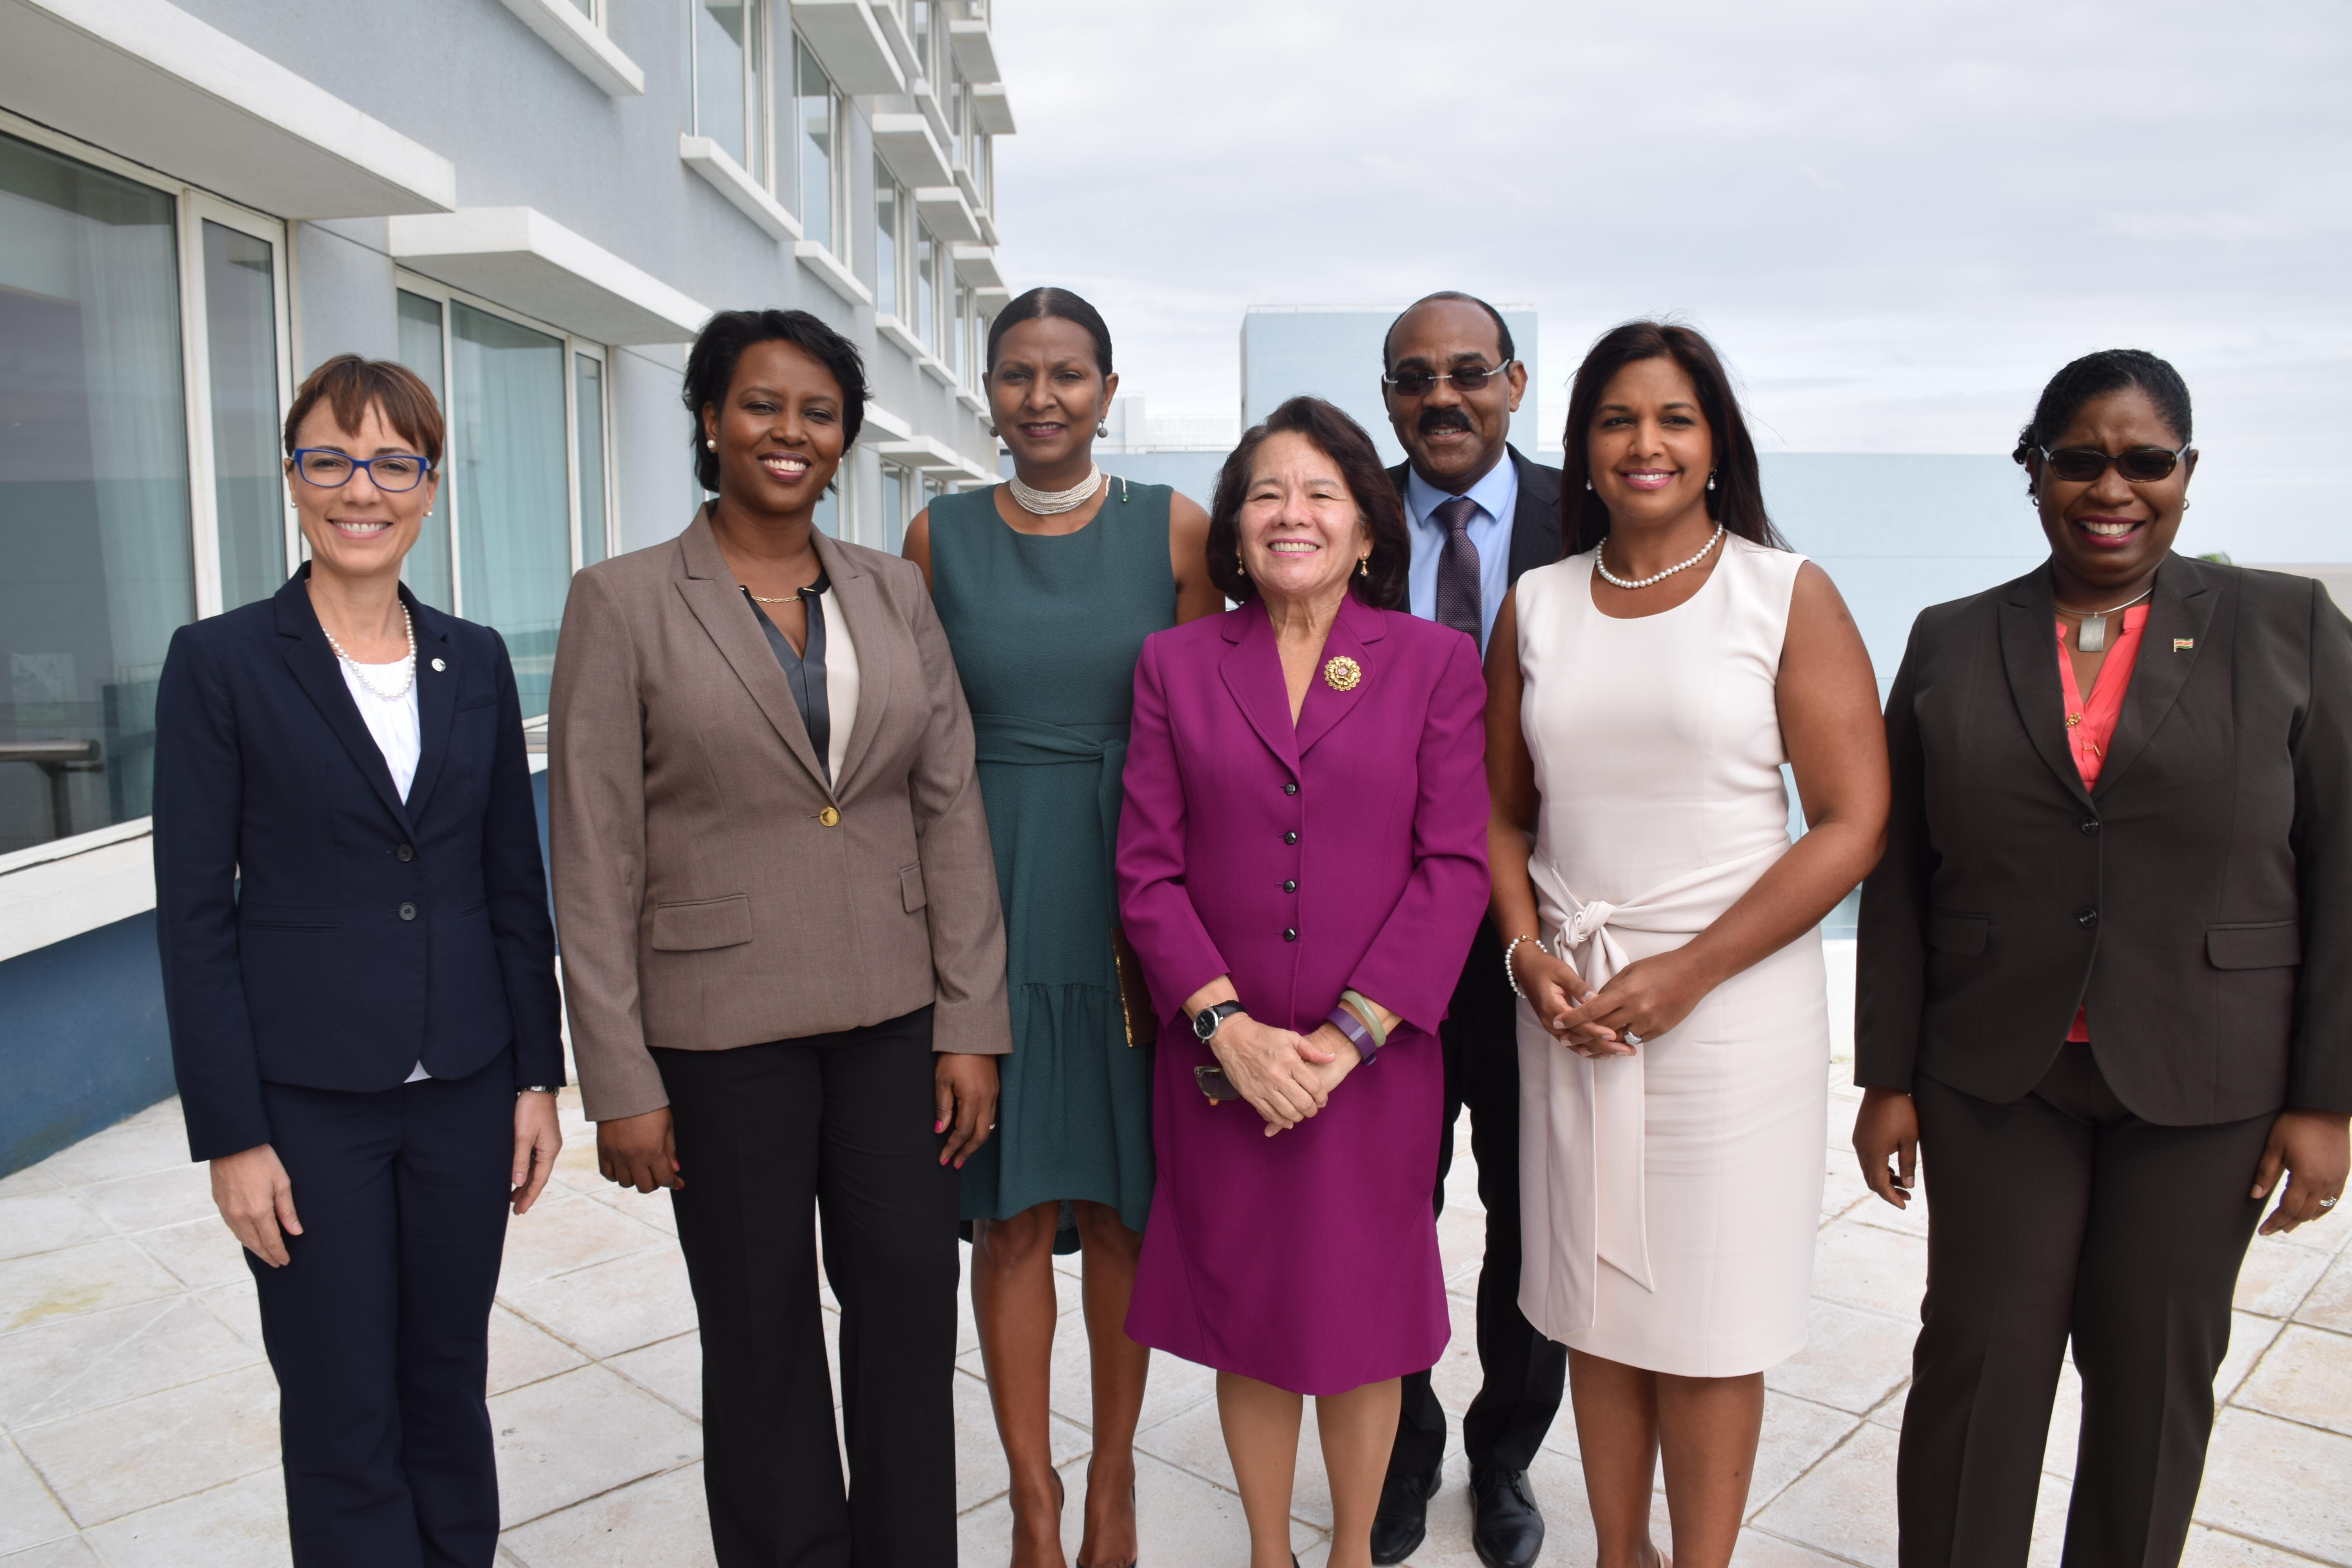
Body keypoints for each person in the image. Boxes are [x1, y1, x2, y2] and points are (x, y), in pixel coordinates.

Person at [1853, 349, 2351, 1568]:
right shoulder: (1954, 638)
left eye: (2146, 461)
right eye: (2080, 459)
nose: (2112, 487)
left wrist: (2327, 1099)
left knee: (2152, 1378)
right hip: (1995, 1072)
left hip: (2207, 1079)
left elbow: (2344, 868)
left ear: (2187, 474)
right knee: (1979, 1362)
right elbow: (1903, 873)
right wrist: (1887, 1075)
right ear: (2035, 472)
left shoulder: (2286, 628)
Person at [546, 309, 1010, 1568]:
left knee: (910, 1304)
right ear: (708, 417)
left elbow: (948, 806)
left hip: (894, 1018)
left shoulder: (890, 588)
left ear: (845, 436)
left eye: (817, 411)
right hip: (717, 1034)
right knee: (759, 1332)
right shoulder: (623, 601)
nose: (789, 431)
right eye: (761, 404)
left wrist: (971, 1020)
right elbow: (593, 856)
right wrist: (619, 1083)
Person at [153, 354, 565, 1568]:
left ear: (429, 489)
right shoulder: (221, 662)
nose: (360, 488)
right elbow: (194, 916)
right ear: (293, 480)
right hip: (307, 1104)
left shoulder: (476, 659)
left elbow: (509, 883)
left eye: (393, 462)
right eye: (329, 459)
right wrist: (231, 1134)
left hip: (466, 1089)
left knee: (446, 1384)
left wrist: (537, 1077)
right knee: (342, 1404)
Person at [1489, 322, 1887, 1568]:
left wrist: (1691, 970)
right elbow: (1502, 811)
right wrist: (1522, 951)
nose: (1646, 443)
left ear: (1716, 443)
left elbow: (1852, 822)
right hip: (1572, 1001)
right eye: (1617, 420)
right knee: (1595, 1303)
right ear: (1586, 451)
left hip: (1731, 1010)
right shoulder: (1537, 605)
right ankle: (1620, 1553)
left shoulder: (1784, 591)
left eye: (1674, 418)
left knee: (1708, 1316)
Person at [1117, 396, 1491, 1568]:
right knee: (1251, 1315)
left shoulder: (1433, 662)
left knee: (1368, 1322)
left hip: (1372, 1068)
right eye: (1268, 494)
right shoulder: (1176, 663)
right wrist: (1227, 1030)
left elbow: (1456, 866)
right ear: (1235, 530)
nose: (1295, 513)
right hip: (1221, 1061)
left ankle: (1346, 1557)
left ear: (1369, 530)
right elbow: (1145, 870)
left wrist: (1345, 1039)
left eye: (1322, 492)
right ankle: (1269, 1553)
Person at [903, 286, 1223, 1568]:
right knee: (1011, 1208)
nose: (1044, 399)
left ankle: (1113, 1485)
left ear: (1107, 389)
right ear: (988, 390)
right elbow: (917, 738)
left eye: (1070, 375)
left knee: (1130, 1207)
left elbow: (1215, 729)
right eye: (1019, 375)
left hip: (1137, 881)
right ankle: (1033, 1496)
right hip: (988, 881)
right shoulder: (937, 535)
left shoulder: (1176, 529)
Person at [1369, 290, 1566, 1568]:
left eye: (1468, 374)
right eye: (1413, 379)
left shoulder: (1589, 515)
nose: (1442, 398)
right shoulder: (1339, 513)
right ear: (1388, 396)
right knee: (1384, 1210)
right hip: (1372, 936)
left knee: (1531, 1215)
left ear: (1513, 382)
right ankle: (1400, 1446)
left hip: (1535, 930)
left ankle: (1504, 1456)